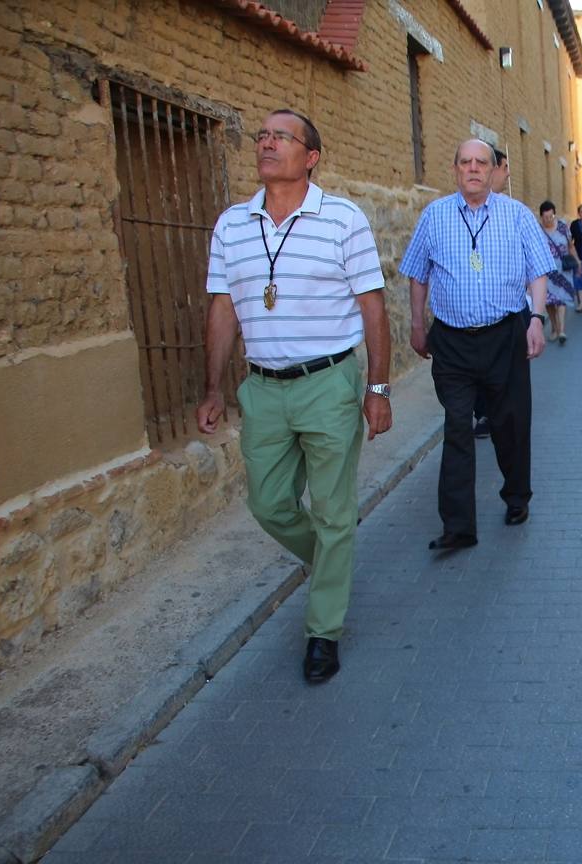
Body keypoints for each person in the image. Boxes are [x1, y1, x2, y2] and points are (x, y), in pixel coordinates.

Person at [196, 109, 392, 683]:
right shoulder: (232, 224)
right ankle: (334, 562)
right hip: (262, 388)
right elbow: (223, 308)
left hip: (329, 383)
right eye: (262, 135)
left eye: (281, 136)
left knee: (333, 512)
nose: (266, 142)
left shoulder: (343, 220)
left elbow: (372, 308)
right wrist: (212, 387)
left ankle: (322, 632)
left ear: (310, 157)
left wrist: (377, 387)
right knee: (269, 504)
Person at [399, 138, 554, 551]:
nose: (472, 169)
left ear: (493, 170)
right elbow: (417, 273)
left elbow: (539, 270)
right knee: (456, 427)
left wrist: (535, 318)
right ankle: (458, 526)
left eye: (480, 162)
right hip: (451, 341)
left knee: (510, 423)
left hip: (505, 334)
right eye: (465, 162)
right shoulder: (434, 216)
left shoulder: (517, 216)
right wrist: (417, 323)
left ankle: (517, 496)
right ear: (455, 170)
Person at [473, 148, 513, 439]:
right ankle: (484, 412)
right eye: (505, 167)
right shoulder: (449, 214)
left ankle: (501, 413)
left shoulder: (513, 213)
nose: (508, 173)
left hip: (508, 313)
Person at [538, 200, 578, 344]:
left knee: (561, 299)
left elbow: (570, 246)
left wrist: (578, 262)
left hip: (562, 268)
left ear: (554, 215)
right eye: (546, 217)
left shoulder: (562, 227)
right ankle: (554, 328)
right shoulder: (537, 229)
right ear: (541, 217)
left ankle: (561, 330)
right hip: (545, 271)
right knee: (549, 302)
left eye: (551, 216)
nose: (548, 220)